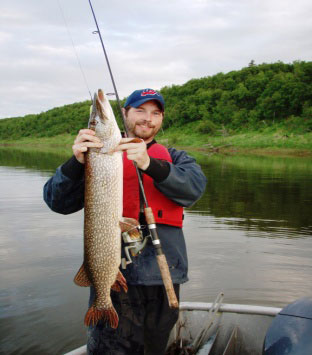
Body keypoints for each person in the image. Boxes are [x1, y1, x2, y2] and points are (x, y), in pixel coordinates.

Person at [43, 88, 207, 355]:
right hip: (114, 277)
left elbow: (193, 189)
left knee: (154, 348)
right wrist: (76, 164)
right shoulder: (97, 156)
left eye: (155, 113)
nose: (148, 119)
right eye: (140, 110)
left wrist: (148, 163)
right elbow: (55, 201)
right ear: (124, 114)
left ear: (161, 119)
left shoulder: (177, 159)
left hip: (163, 279)